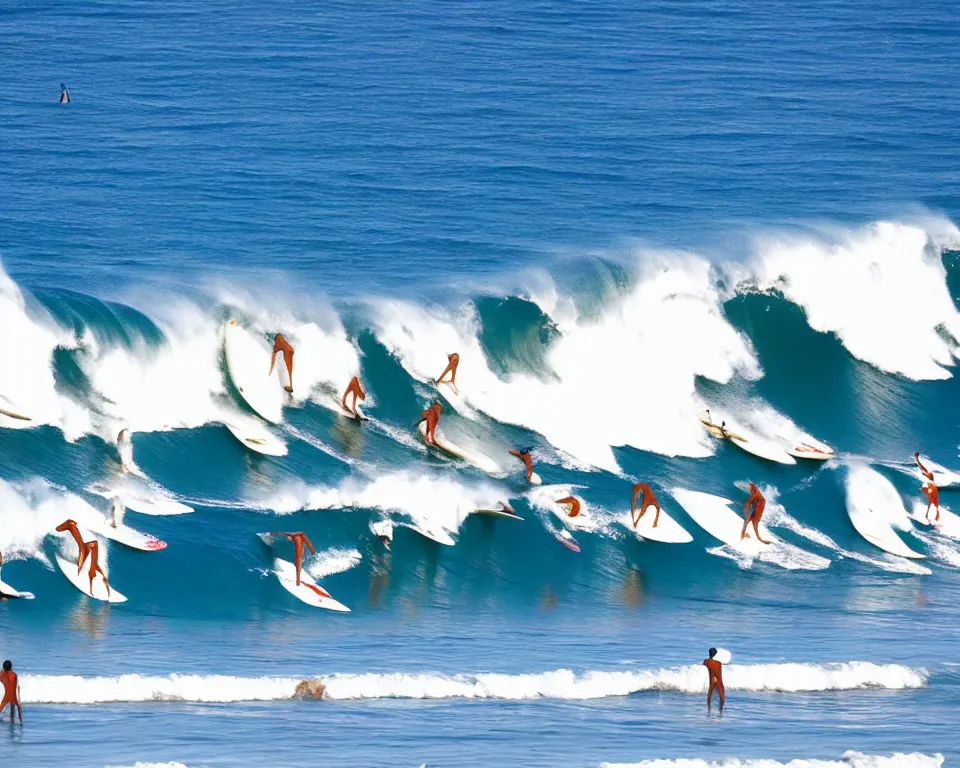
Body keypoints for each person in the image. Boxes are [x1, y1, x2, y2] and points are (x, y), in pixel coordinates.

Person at [703, 648, 725, 712]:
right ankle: (721, 709)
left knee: (709, 695)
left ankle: (709, 709)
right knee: (721, 695)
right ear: (715, 654)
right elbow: (719, 674)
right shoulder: (718, 663)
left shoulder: (706, 661)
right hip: (718, 679)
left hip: (711, 679)